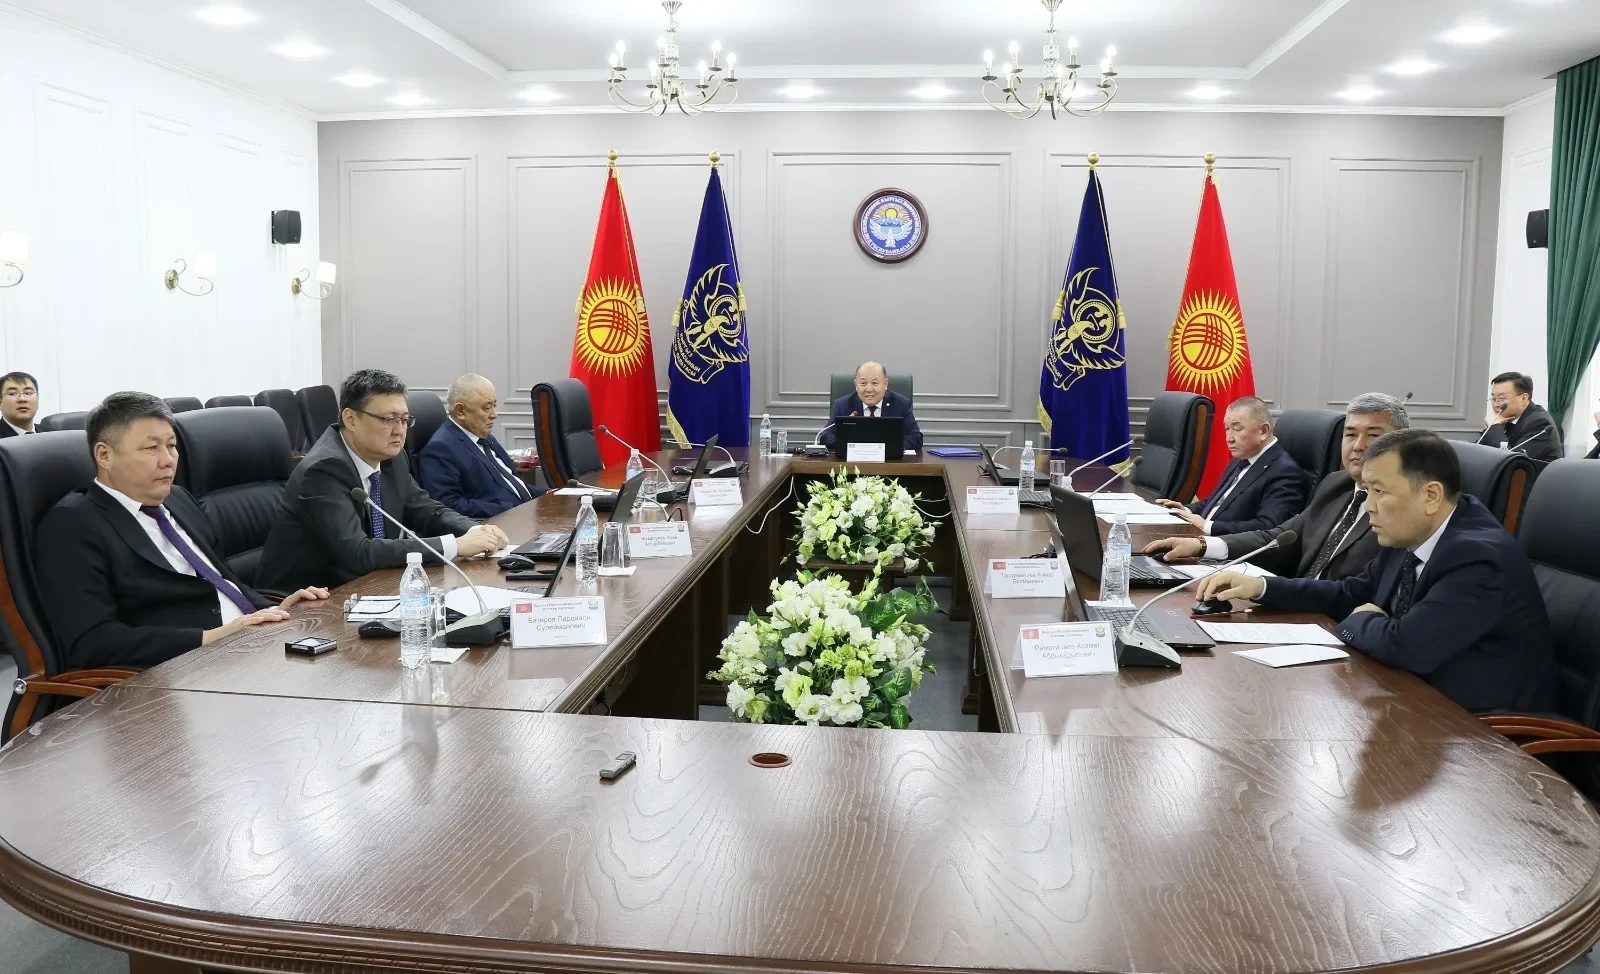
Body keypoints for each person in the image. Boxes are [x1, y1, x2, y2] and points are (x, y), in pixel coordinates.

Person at [1198, 428, 1557, 714]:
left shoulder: (1477, 557)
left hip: (1480, 733)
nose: (1368, 506)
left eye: (1379, 491)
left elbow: (1406, 646)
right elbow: (1350, 594)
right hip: (1410, 699)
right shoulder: (1411, 531)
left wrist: (1359, 620)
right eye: (1366, 490)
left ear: (1431, 496)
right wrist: (1261, 587)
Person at [34, 393, 329, 671]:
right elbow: (91, 642)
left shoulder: (178, 499)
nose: (168, 460)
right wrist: (211, 638)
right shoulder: (73, 523)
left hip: (250, 646)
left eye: (171, 446)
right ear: (104, 455)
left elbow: (220, 581)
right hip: (183, 672)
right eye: (151, 448)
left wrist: (273, 608)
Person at [257, 369, 508, 592]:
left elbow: (427, 511)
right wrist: (454, 545)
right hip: (307, 602)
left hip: (369, 586)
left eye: (405, 420)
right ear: (350, 419)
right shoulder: (323, 470)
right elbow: (359, 552)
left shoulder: (392, 458)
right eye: (389, 419)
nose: (399, 430)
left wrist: (475, 531)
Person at [1145, 393, 1409, 580]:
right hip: (1294, 606)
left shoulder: (1403, 509)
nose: (1359, 445)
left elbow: (1358, 592)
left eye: (1373, 435)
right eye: (1350, 434)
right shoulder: (1336, 485)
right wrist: (1202, 546)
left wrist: (1265, 589)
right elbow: (1278, 537)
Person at [1155, 396, 1308, 535]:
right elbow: (1217, 502)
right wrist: (1186, 510)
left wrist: (1208, 526)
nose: (1229, 438)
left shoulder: (1284, 472)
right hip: (1200, 536)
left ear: (1263, 431)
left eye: (1237, 429)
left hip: (1229, 550)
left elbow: (1268, 528)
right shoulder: (1242, 457)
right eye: (1227, 428)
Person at [419, 374, 546, 518]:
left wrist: (549, 494)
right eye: (486, 407)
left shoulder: (483, 436)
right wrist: (510, 508)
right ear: (460, 411)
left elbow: (512, 483)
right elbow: (448, 505)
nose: (494, 415)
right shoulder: (441, 449)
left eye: (494, 405)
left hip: (526, 514)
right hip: (500, 523)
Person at [820, 361, 923, 451]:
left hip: (889, 463)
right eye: (863, 383)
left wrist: (885, 446)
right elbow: (826, 437)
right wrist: (856, 446)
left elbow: (916, 438)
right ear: (856, 385)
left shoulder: (901, 404)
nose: (869, 389)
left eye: (875, 383)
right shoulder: (842, 405)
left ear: (885, 384)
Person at [1477, 371, 1562, 463]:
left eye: (1501, 399)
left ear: (1523, 398)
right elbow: (1479, 448)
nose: (1496, 405)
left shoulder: (1540, 423)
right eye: (1494, 399)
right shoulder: (1506, 417)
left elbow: (1512, 461)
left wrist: (1494, 427)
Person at [1, 371, 39, 436]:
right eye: (12, 394)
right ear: (0, 402)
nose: (22, 399)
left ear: (38, 399)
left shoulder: (52, 434)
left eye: (28, 393)